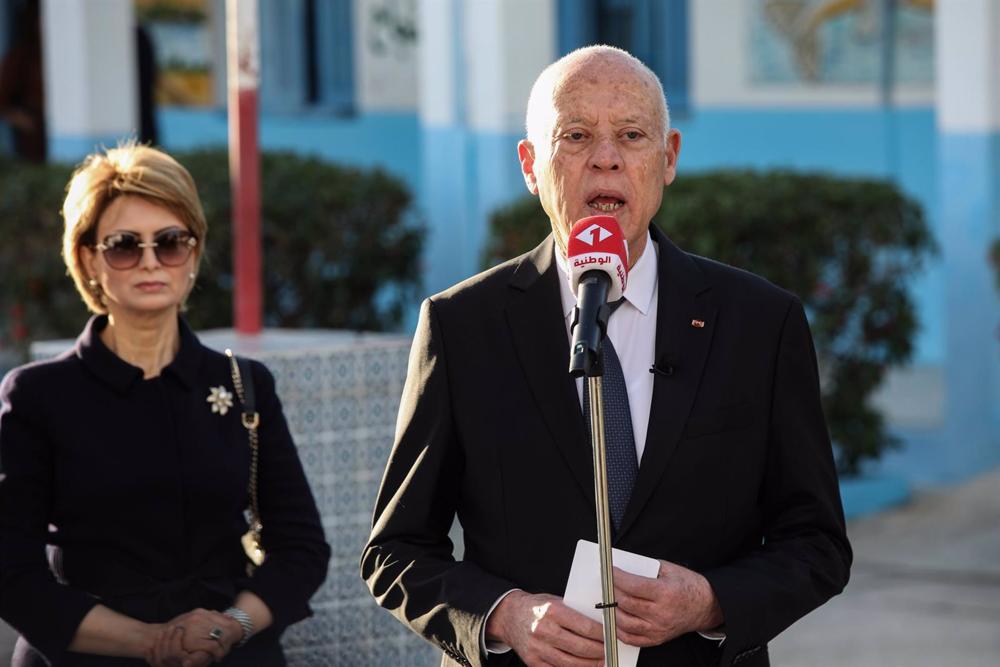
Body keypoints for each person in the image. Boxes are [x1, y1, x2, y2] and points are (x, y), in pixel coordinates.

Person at [361, 45, 852, 667]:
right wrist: (504, 615)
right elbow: (395, 551)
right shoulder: (462, 325)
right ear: (531, 165)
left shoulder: (759, 321)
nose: (606, 158)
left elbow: (816, 544)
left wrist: (709, 601)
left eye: (631, 134)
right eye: (575, 135)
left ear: (668, 157)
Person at [0, 143, 330, 666]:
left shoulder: (246, 384)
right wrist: (152, 643)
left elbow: (302, 549)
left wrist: (229, 628)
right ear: (88, 258)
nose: (151, 261)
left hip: (227, 653)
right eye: (125, 245)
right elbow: (13, 574)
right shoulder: (38, 395)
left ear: (194, 254)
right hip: (89, 655)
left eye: (171, 242)